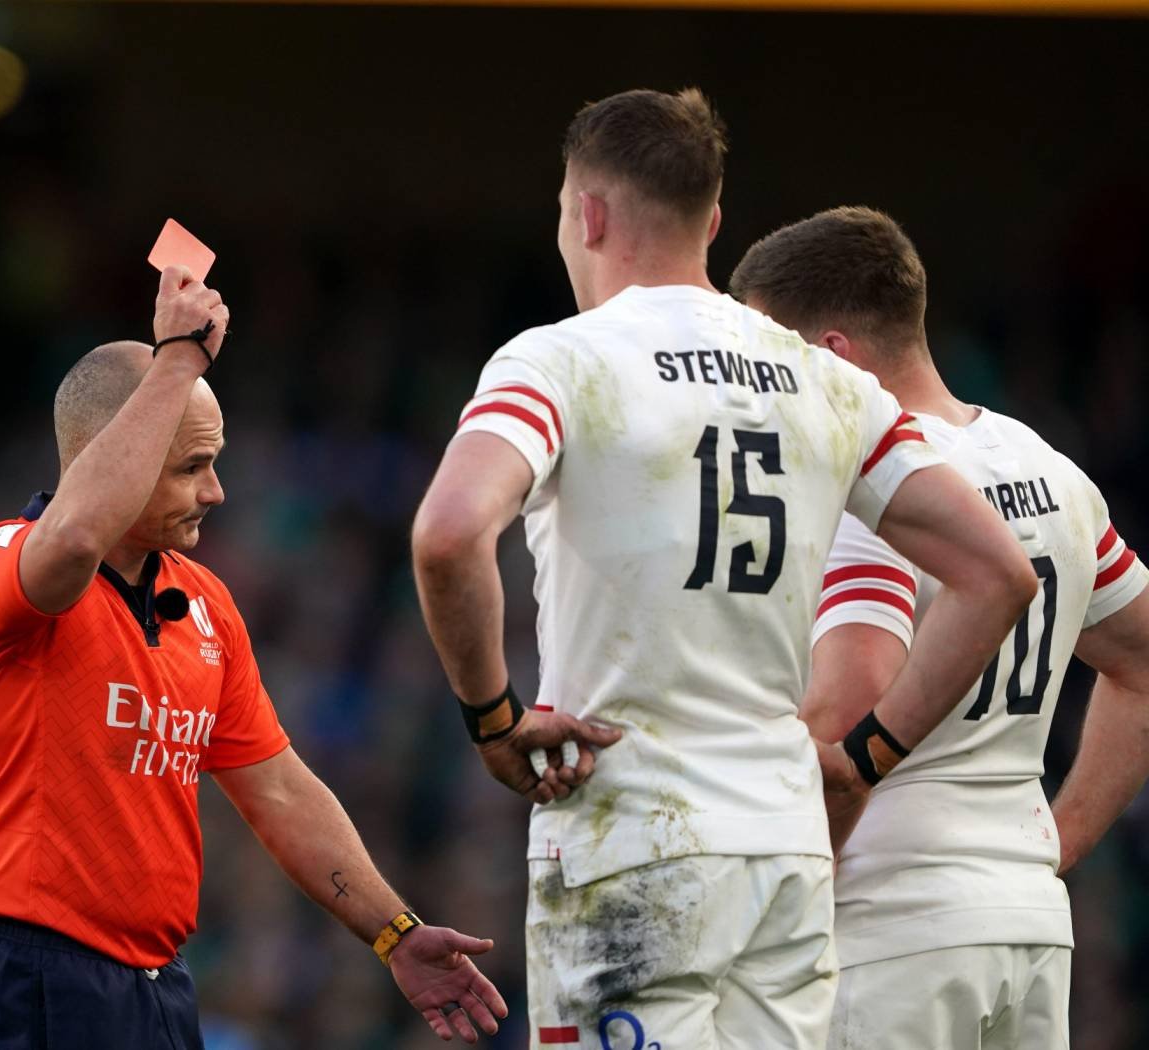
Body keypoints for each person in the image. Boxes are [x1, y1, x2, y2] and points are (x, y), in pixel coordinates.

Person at [410, 87, 1037, 1049]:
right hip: (785, 849)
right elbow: (998, 574)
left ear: (588, 213)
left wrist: (494, 718)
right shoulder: (829, 382)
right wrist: (864, 757)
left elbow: (449, 535)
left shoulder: (560, 360)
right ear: (711, 219)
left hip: (631, 843)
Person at [0, 271, 508, 1048]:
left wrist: (393, 932)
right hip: (23, 977)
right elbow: (70, 539)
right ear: (116, 456)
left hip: (158, 986)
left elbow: (276, 788)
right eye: (190, 466)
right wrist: (174, 362)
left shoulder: (205, 603)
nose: (217, 491)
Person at [728, 205, 1149, 1050]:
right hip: (1025, 927)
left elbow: (845, 717)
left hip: (893, 932)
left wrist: (772, 915)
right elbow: (1142, 662)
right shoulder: (1049, 468)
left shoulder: (876, 489)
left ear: (831, 356)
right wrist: (1053, 843)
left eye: (767, 364)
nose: (756, 395)